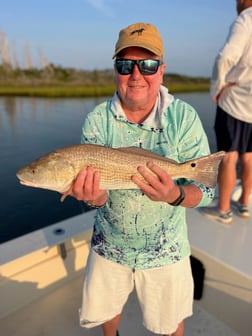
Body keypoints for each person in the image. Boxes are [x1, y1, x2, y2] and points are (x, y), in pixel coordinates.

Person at [70, 22, 214, 336]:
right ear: (115, 70)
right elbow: (100, 196)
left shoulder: (184, 118)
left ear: (161, 71)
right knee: (107, 313)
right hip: (109, 244)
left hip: (167, 248)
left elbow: (206, 191)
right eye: (125, 65)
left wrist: (173, 195)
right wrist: (93, 196)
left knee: (170, 323)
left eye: (147, 65)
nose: (136, 75)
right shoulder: (97, 120)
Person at [202, 0, 252, 225]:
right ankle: (243, 203)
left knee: (229, 157)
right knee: (250, 157)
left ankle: (223, 210)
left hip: (235, 102)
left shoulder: (246, 19)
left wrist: (217, 86)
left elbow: (226, 56)